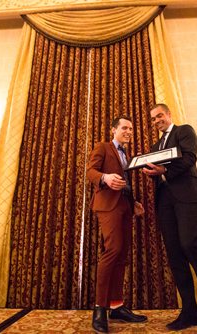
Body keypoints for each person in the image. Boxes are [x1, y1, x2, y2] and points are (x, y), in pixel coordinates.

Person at [142, 104, 197, 333]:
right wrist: (149, 171)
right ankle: (190, 312)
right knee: (175, 254)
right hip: (165, 202)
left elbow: (189, 158)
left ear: (168, 115)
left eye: (160, 116)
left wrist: (164, 171)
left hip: (187, 195)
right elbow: (156, 173)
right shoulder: (155, 146)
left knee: (190, 244)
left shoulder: (184, 131)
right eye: (153, 119)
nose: (157, 120)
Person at [86, 115, 147, 333]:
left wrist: (134, 202)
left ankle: (117, 306)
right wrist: (105, 178)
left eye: (131, 128)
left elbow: (126, 183)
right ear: (114, 130)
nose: (129, 131)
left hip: (125, 206)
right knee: (112, 251)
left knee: (122, 255)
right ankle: (99, 308)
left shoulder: (127, 154)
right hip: (107, 205)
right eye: (124, 128)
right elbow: (90, 172)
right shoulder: (102, 147)